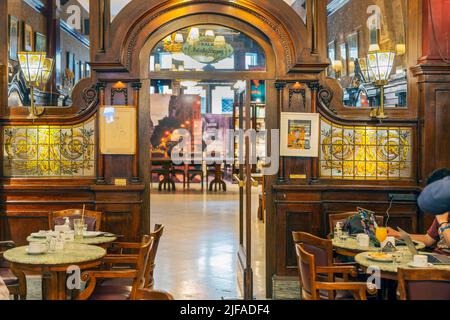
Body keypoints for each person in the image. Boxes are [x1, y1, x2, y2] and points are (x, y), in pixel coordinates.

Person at [388, 168, 450, 255]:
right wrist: (398, 235)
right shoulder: (442, 209)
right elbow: (428, 239)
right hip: (437, 257)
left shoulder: (442, 216)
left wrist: (443, 222)